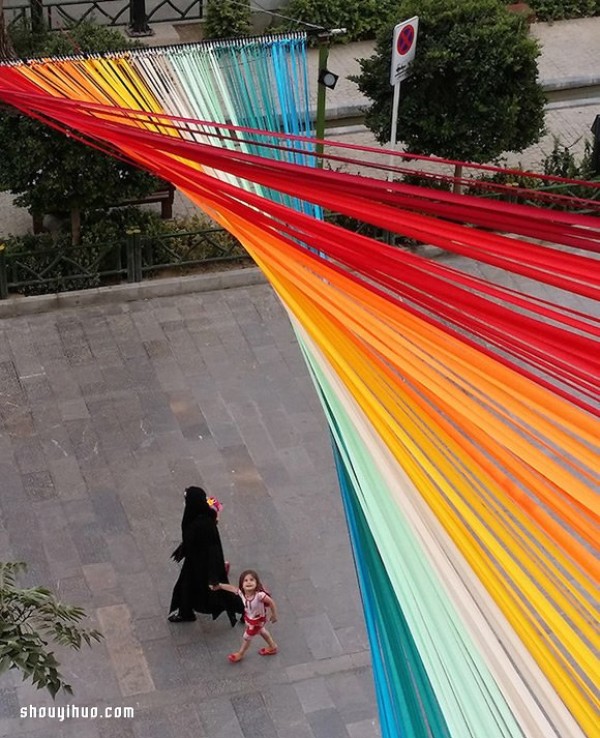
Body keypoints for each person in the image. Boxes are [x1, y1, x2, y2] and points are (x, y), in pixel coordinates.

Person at [168, 486, 242, 626]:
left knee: (217, 591)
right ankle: (186, 612)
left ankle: (244, 608)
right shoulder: (201, 515)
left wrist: (213, 573)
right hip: (195, 560)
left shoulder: (201, 523)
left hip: (203, 564)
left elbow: (210, 548)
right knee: (186, 586)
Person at [211, 569, 278, 662]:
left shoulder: (259, 596)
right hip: (252, 620)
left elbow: (271, 602)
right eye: (245, 580)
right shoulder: (242, 594)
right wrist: (220, 586)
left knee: (247, 637)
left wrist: (274, 614)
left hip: (257, 622)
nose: (248, 582)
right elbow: (232, 588)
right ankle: (272, 646)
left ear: (256, 583)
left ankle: (241, 653)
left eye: (251, 580)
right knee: (262, 631)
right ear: (242, 584)